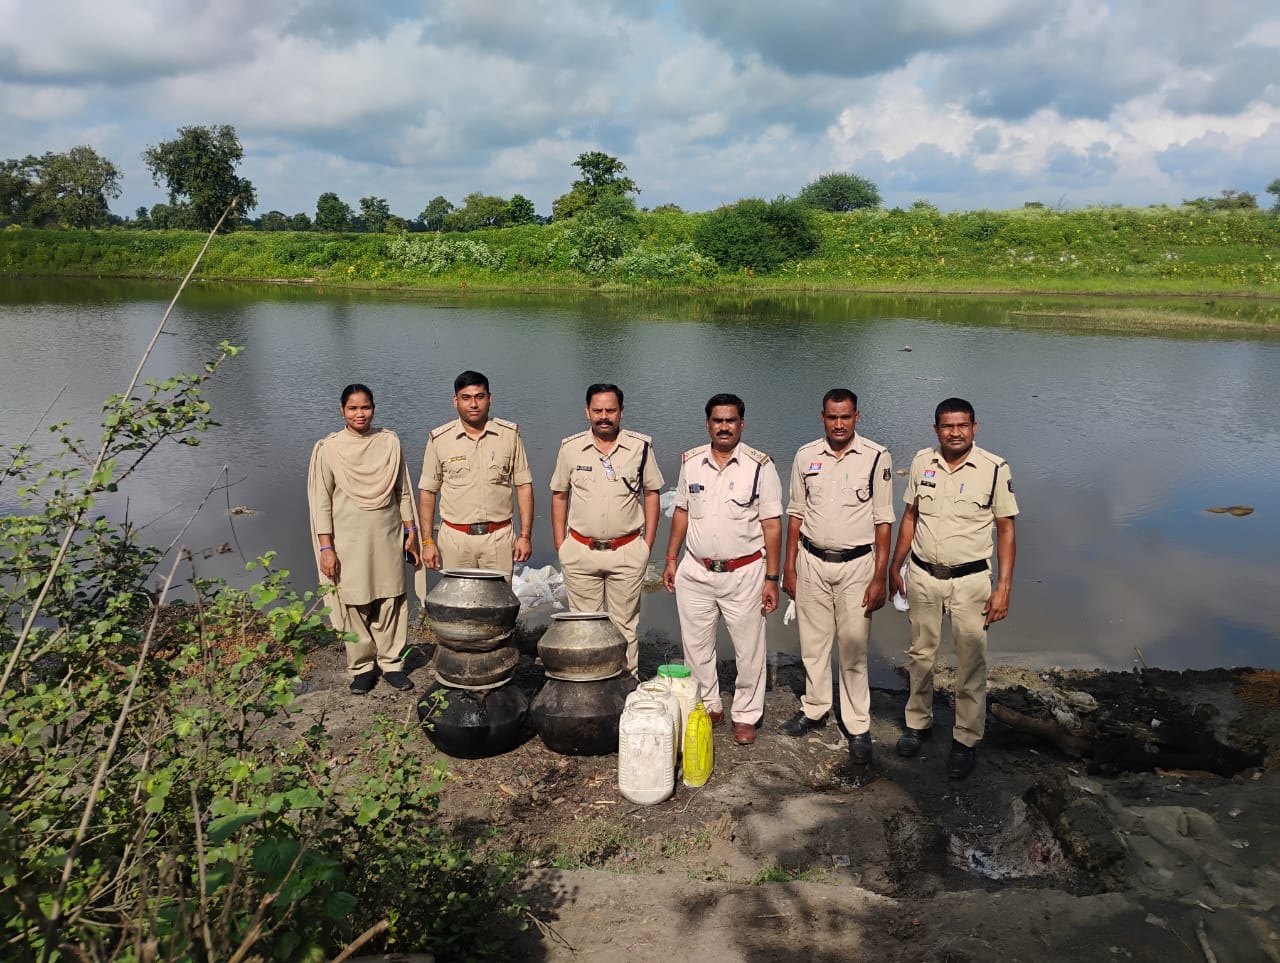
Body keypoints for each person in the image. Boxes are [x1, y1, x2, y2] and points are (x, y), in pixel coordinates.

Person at [889, 397, 1018, 780]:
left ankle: (965, 739)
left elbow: (1006, 530)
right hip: (924, 575)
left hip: (971, 581)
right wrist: (895, 565)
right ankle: (918, 723)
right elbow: (910, 516)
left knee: (971, 661)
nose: (955, 432)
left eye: (962, 425)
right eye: (947, 426)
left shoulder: (994, 469)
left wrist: (1004, 587)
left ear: (974, 427)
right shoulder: (921, 462)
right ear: (936, 429)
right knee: (921, 654)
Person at [780, 389, 894, 765]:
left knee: (853, 648)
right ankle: (815, 709)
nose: (839, 424)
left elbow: (883, 521)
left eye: (845, 417)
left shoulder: (876, 457)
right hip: (811, 560)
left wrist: (880, 577)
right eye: (832, 417)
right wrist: (789, 566)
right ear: (823, 417)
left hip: (858, 565)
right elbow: (795, 513)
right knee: (813, 645)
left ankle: (857, 725)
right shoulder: (805, 456)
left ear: (857, 417)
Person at [662, 393, 782, 746]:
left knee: (749, 650)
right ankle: (709, 705)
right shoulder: (691, 462)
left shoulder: (760, 466)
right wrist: (671, 559)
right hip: (696, 570)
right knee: (696, 647)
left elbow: (772, 525)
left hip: (744, 572)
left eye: (731, 421)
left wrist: (772, 578)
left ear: (742, 424)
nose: (724, 427)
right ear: (708, 424)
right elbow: (681, 511)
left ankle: (745, 714)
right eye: (718, 420)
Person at [307, 383, 425, 694]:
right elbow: (321, 502)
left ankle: (392, 664)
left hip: (388, 534)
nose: (360, 414)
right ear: (342, 410)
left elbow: (403, 491)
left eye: (366, 407)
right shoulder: (329, 449)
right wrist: (326, 547)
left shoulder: (389, 442)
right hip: (348, 541)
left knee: (391, 598)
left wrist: (411, 532)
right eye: (353, 408)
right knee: (354, 601)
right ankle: (361, 667)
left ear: (374, 408)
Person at [551, 384, 665, 677]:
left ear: (621, 412)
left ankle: (624, 685)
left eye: (611, 410)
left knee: (624, 626)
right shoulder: (570, 448)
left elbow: (652, 493)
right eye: (598, 410)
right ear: (587, 412)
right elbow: (559, 495)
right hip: (580, 551)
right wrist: (562, 545)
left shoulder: (640, 447)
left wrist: (647, 545)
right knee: (584, 625)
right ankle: (589, 683)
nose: (604, 417)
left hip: (627, 551)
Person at [417, 371, 534, 578]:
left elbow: (524, 486)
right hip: (455, 539)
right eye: (466, 398)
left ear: (490, 399)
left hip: (498, 538)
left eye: (479, 397)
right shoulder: (440, 440)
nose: (473, 404)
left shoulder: (509, 436)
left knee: (499, 598)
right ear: (455, 401)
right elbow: (427, 492)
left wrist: (525, 536)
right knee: (458, 597)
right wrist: (427, 542)